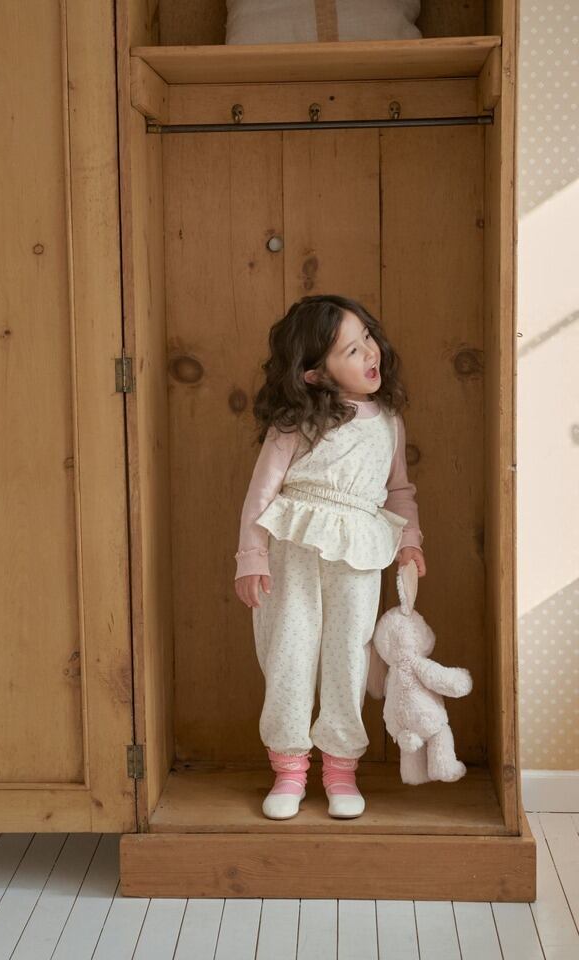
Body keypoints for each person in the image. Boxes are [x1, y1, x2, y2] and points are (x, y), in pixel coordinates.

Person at [234, 294, 426, 820]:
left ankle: (341, 768)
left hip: (358, 553)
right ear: (316, 374)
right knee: (289, 654)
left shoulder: (389, 422)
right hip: (292, 550)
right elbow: (260, 496)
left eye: (368, 338)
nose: (370, 352)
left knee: (349, 655)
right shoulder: (295, 423)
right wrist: (251, 556)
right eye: (352, 350)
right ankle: (289, 769)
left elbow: (399, 491)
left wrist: (410, 541)